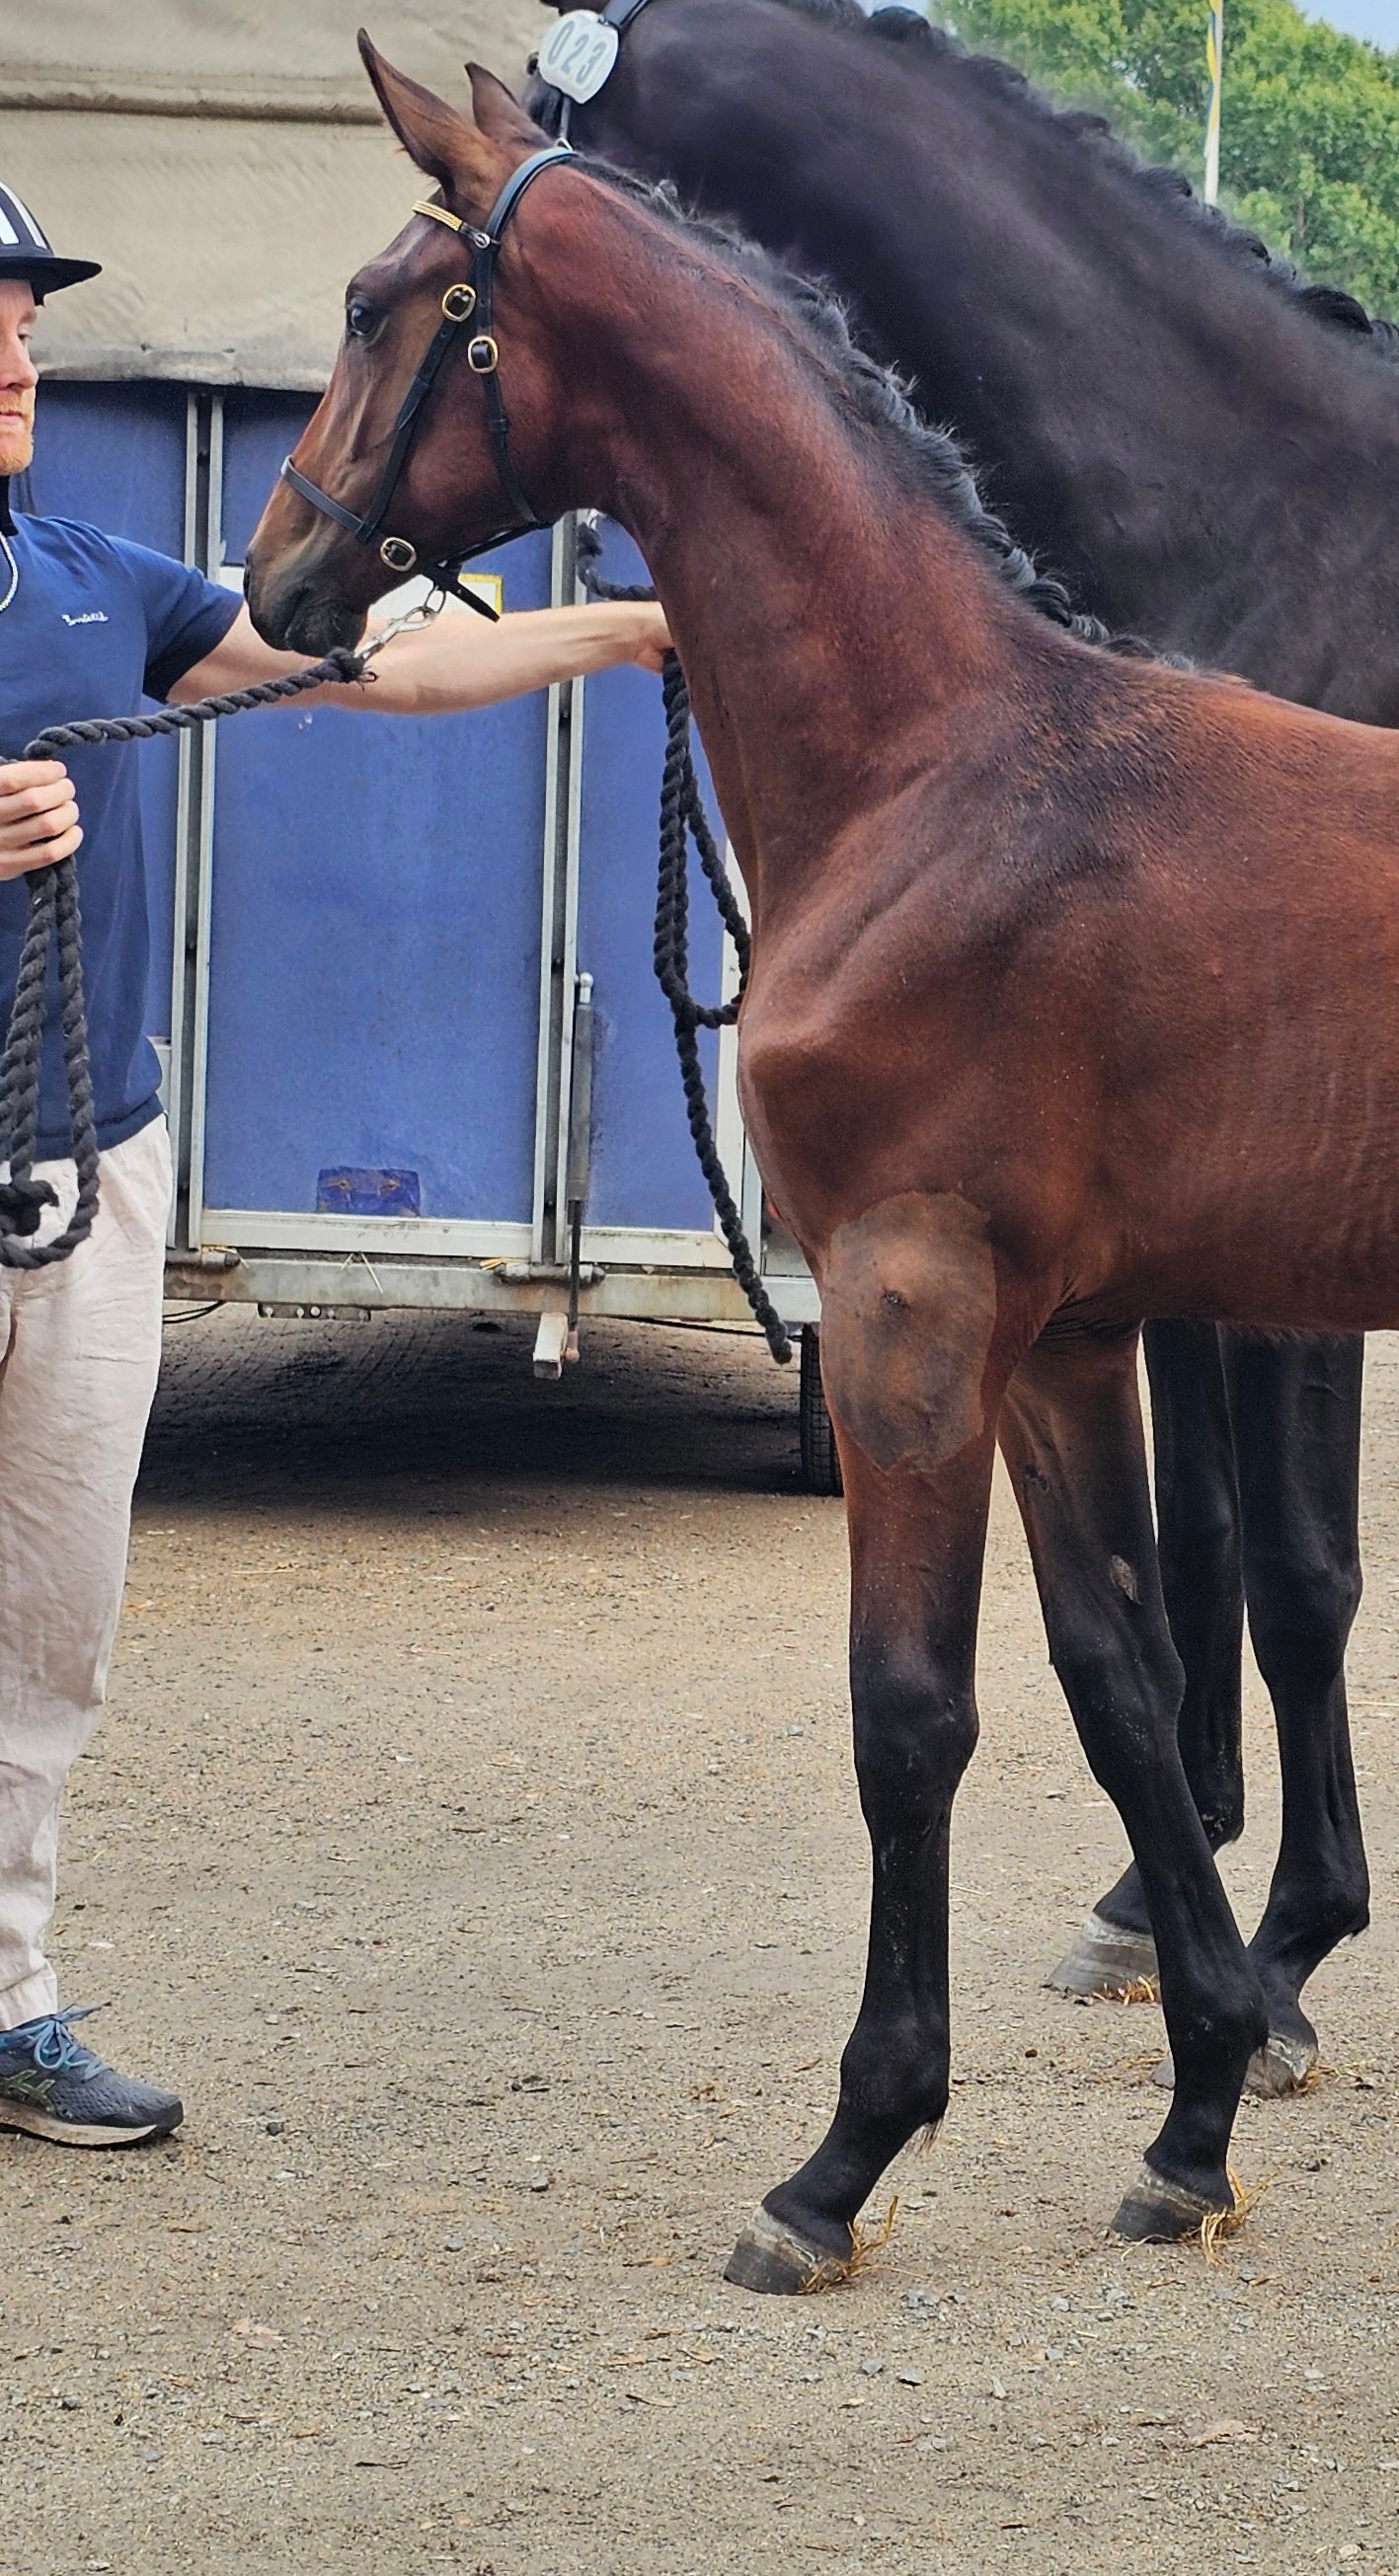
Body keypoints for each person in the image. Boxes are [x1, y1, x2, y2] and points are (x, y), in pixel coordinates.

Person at [0, 172, 668, 2147]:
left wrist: (634, 626)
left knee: (49, 1625)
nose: (18, 350)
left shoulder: (93, 580)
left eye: (27, 318)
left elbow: (377, 667)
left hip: (85, 1182)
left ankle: (8, 2000)